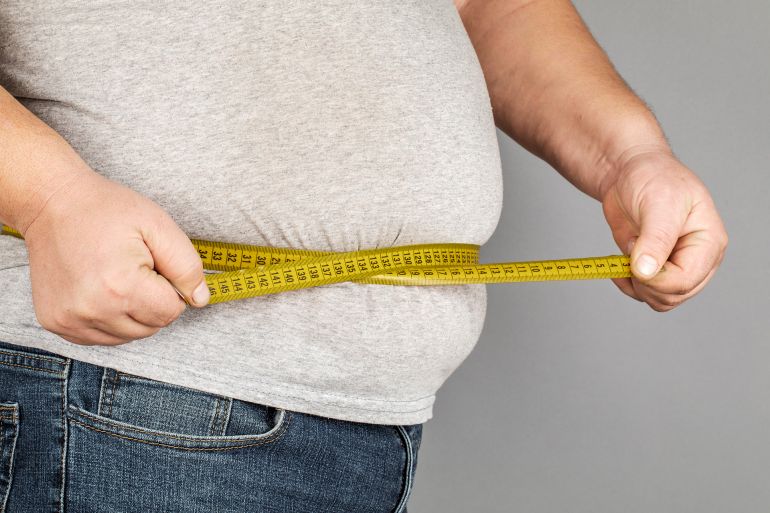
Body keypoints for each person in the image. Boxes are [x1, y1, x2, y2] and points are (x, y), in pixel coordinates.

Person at [0, 1, 727, 511]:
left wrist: (630, 154)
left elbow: (484, 7)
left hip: (369, 431)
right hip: (127, 392)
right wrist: (48, 198)